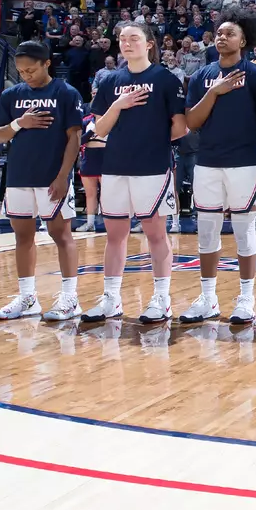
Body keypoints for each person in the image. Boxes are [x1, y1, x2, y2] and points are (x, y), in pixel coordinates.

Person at [84, 23, 188, 322]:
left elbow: (180, 127)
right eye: (122, 39)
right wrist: (117, 105)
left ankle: (161, 299)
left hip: (152, 167)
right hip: (115, 166)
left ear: (149, 44)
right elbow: (99, 129)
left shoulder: (166, 80)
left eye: (134, 38)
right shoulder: (110, 81)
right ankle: (112, 299)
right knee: (114, 235)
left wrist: (147, 140)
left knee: (156, 234)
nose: (127, 43)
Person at [180, 9, 256, 324]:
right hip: (208, 160)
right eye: (218, 33)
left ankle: (246, 299)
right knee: (206, 232)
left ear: (243, 40)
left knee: (244, 231)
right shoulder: (203, 75)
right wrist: (214, 92)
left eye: (229, 33)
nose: (222, 37)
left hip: (245, 160)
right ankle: (208, 298)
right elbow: (192, 121)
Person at [0, 41, 83, 321]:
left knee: (60, 234)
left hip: (51, 176)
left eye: (30, 69)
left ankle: (70, 298)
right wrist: (20, 123)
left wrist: (63, 175)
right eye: (20, 71)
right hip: (18, 176)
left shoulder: (65, 92)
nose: (25, 75)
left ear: (46, 63)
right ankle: (28, 298)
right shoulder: (10, 95)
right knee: (22, 236)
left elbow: (74, 138)